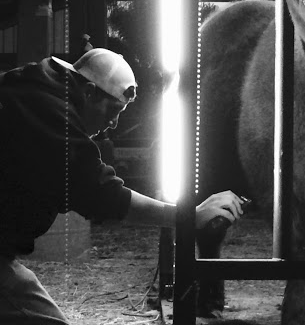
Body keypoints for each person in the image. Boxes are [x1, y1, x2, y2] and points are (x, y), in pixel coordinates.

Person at [0, 48, 244, 324]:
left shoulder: (29, 88)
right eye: (113, 110)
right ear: (89, 92)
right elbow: (106, 196)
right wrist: (191, 216)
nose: (114, 124)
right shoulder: (51, 119)